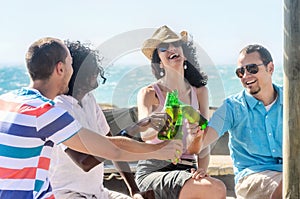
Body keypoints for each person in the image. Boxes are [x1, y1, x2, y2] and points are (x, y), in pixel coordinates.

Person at [0, 37, 183, 199]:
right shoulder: (47, 111)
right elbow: (107, 151)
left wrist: (134, 190)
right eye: (71, 64)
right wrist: (158, 150)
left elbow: (109, 144)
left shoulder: (6, 101)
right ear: (61, 69)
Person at [49, 40, 154, 199]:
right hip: (67, 195)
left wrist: (134, 191)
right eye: (91, 67)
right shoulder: (59, 108)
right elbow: (85, 162)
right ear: (75, 71)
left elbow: (111, 143)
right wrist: (133, 130)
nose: (97, 70)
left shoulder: (88, 100)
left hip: (99, 193)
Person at [135, 25, 226, 199]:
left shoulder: (200, 92)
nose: (171, 48)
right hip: (155, 169)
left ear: (184, 53)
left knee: (211, 187)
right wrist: (161, 121)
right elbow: (145, 134)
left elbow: (202, 143)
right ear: (159, 61)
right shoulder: (150, 93)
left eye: (175, 44)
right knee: (216, 189)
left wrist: (202, 170)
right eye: (164, 47)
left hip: (188, 170)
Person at [188, 44, 282, 198]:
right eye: (240, 72)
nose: (245, 76)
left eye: (252, 69)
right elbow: (201, 143)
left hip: (289, 171)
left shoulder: (292, 99)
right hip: (252, 178)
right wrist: (195, 135)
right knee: (287, 184)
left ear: (270, 68)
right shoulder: (231, 107)